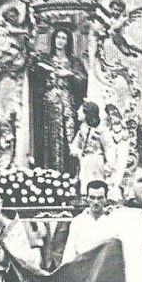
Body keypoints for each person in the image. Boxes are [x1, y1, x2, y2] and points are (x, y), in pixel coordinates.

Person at [33, 27, 88, 172]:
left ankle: (70, 172)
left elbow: (83, 79)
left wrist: (69, 74)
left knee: (69, 134)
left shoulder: (73, 61)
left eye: (64, 38)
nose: (60, 41)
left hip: (67, 101)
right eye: (58, 37)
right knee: (50, 135)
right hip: (49, 101)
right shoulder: (46, 58)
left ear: (68, 41)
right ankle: (50, 171)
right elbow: (35, 75)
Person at [62, 180, 111, 265]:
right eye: (92, 197)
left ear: (106, 199)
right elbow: (70, 251)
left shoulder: (113, 220)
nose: (96, 202)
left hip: (105, 268)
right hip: (82, 268)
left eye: (100, 198)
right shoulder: (77, 222)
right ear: (87, 198)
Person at [69, 101, 108, 195]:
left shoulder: (99, 131)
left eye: (81, 110)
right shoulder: (82, 130)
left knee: (96, 183)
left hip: (96, 160)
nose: (78, 112)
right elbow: (74, 147)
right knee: (84, 183)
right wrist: (78, 152)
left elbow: (107, 147)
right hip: (85, 160)